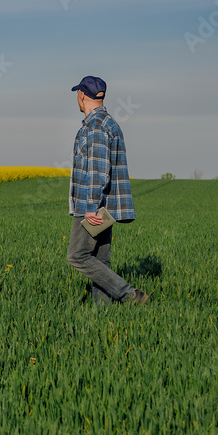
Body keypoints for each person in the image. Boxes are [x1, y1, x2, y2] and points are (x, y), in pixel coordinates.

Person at [67, 75, 148, 306]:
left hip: (92, 205)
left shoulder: (96, 127)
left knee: (77, 256)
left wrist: (91, 206)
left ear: (81, 95)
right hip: (106, 206)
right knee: (100, 261)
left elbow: (98, 170)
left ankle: (129, 295)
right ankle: (101, 314)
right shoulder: (109, 123)